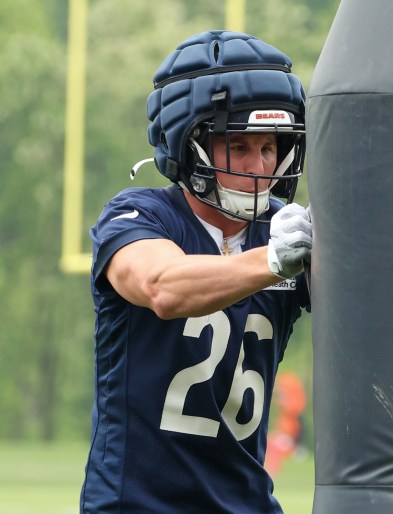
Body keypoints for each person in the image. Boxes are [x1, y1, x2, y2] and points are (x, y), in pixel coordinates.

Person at [80, 30, 312, 513]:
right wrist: (273, 260)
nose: (260, 166)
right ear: (190, 144)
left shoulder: (287, 230)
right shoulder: (138, 215)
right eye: (239, 146)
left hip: (247, 502)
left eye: (270, 147)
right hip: (139, 504)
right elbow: (162, 287)